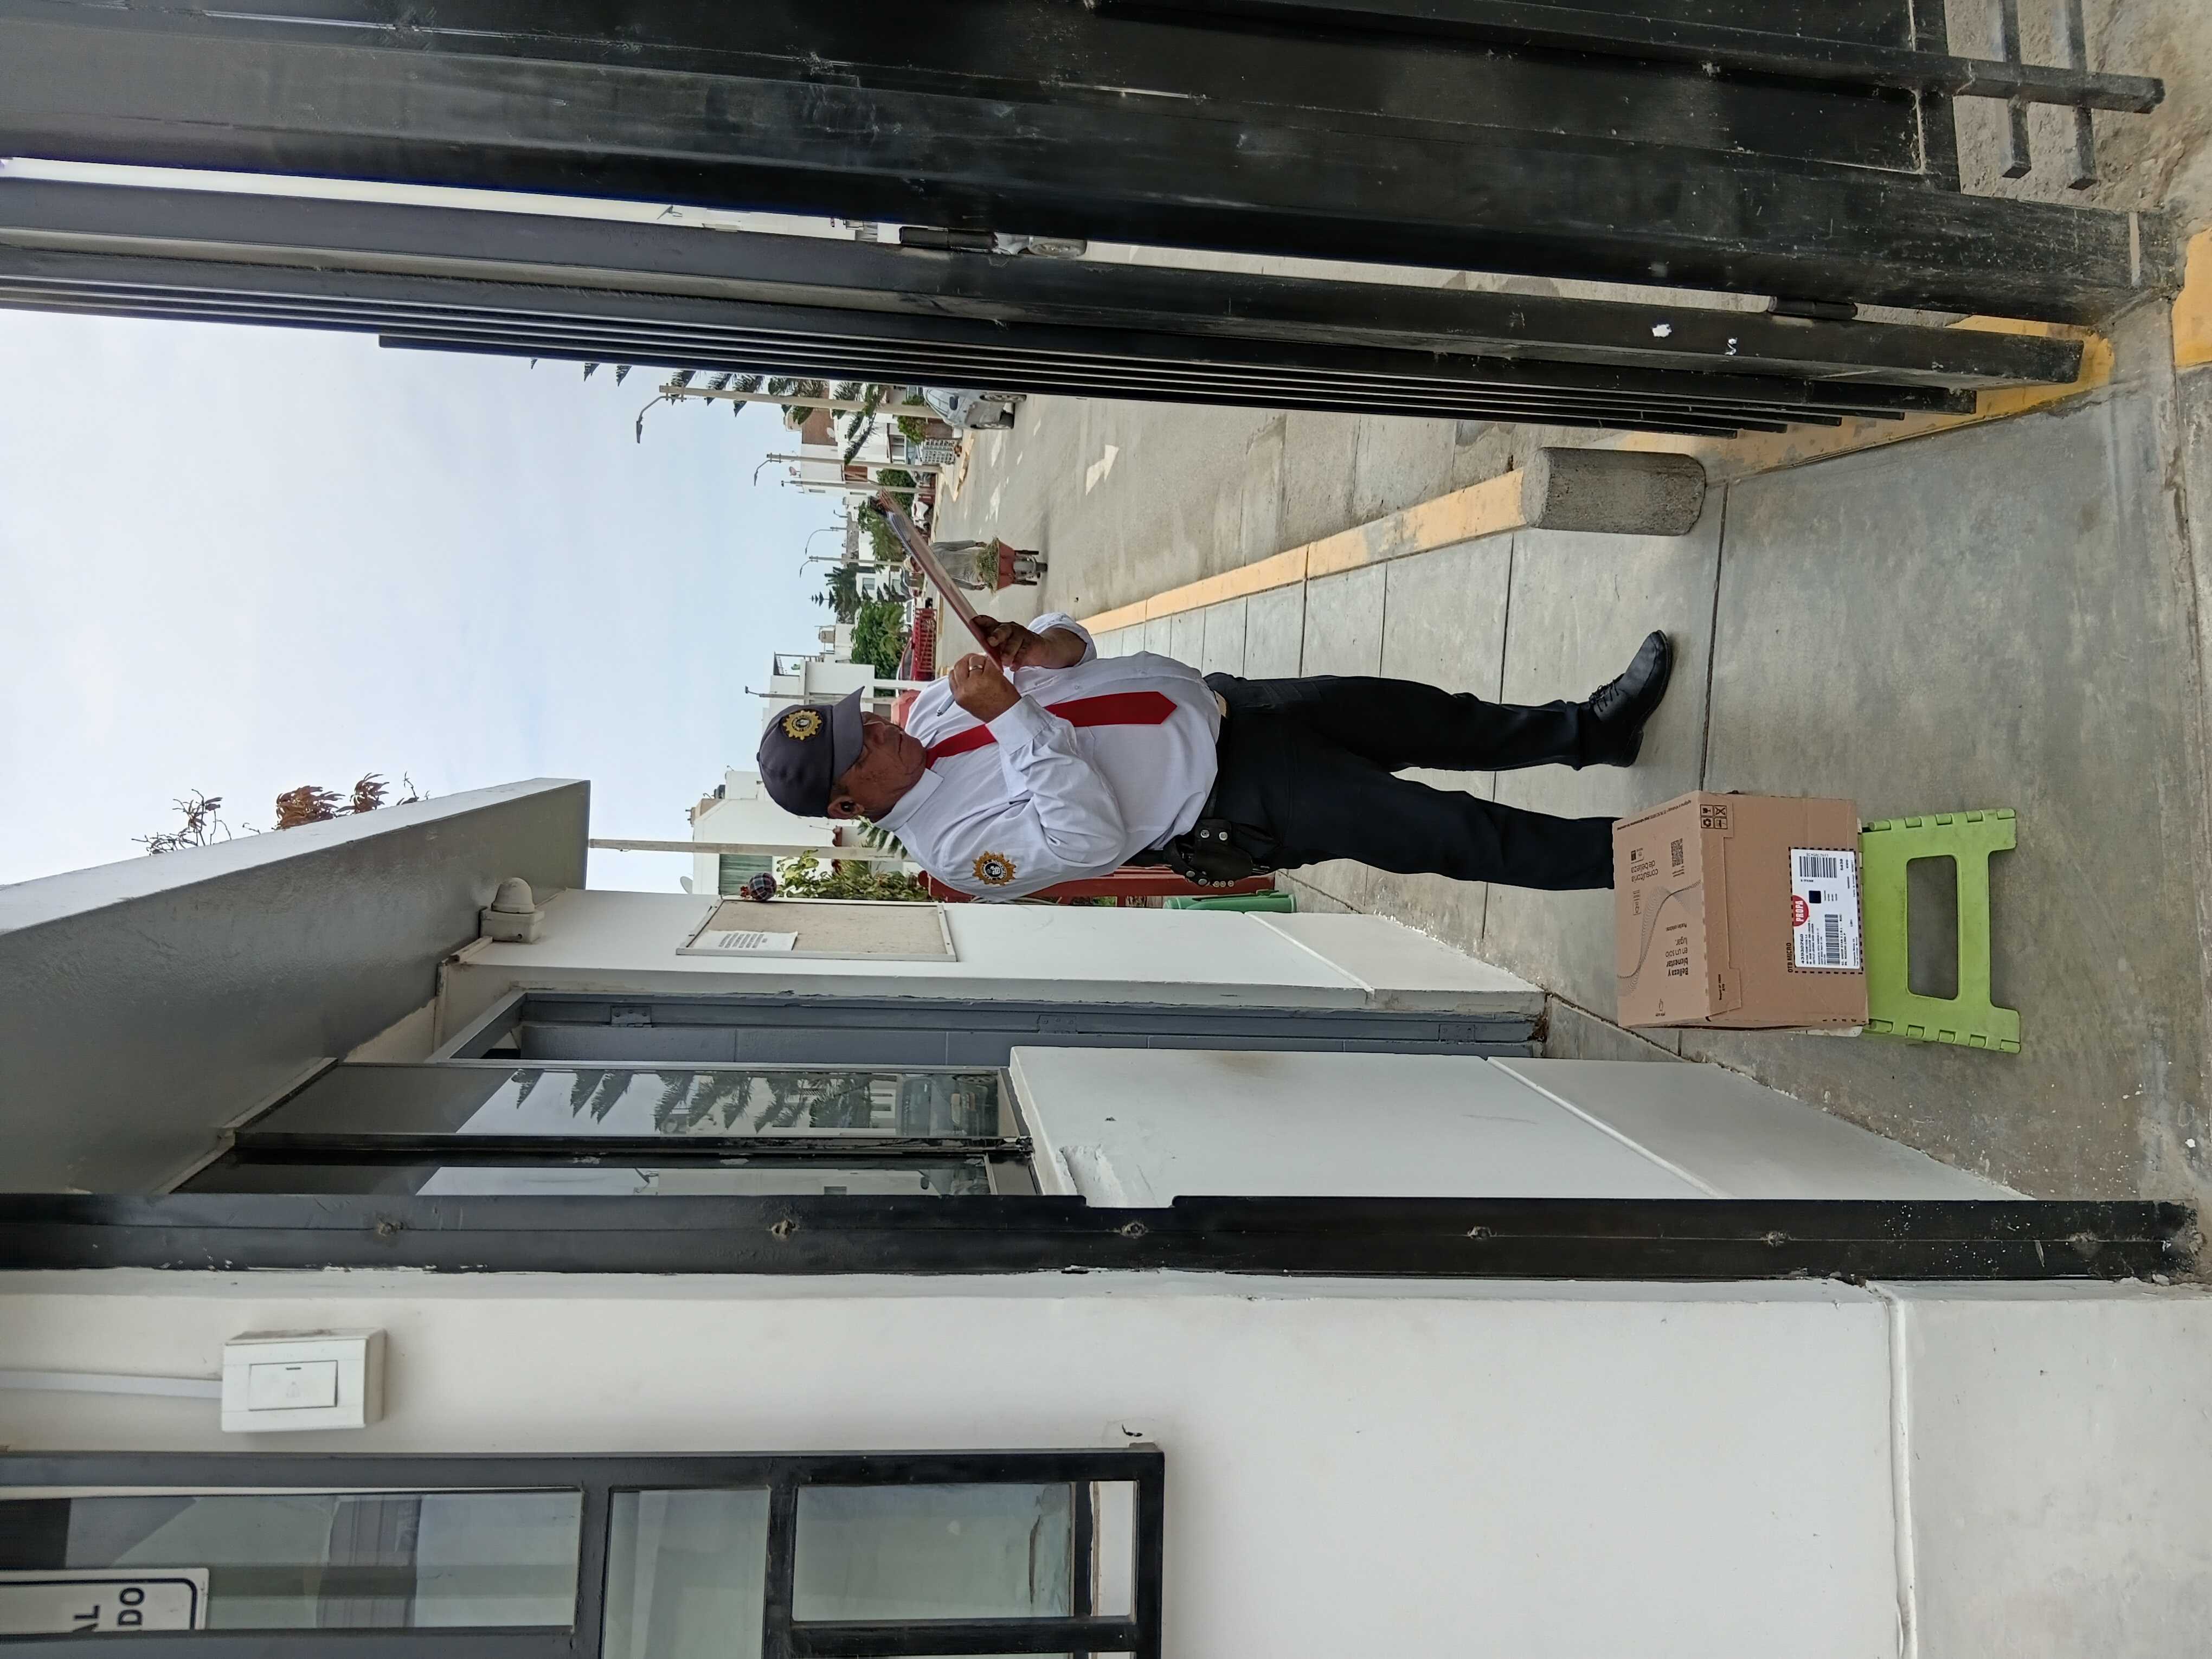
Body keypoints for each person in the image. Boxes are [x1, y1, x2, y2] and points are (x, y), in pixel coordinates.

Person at [757, 606, 1673, 902]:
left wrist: (1035, 647)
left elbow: (1074, 645)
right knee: (1455, 832)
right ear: (847, 805)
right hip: (1237, 797)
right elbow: (1086, 842)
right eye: (861, 749)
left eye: (862, 719)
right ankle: (1655, 861)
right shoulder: (957, 852)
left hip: (1239, 705)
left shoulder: (927, 707)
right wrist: (1011, 721)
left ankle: (1593, 733)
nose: (882, 729)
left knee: (1440, 719)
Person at [930, 537, 1046, 593]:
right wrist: (972, 587)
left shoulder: (934, 550)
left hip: (975, 562)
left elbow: (954, 546)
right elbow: (954, 583)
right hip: (974, 569)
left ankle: (1021, 563)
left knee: (998, 557)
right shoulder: (933, 571)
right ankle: (1020, 574)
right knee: (992, 575)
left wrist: (973, 544)